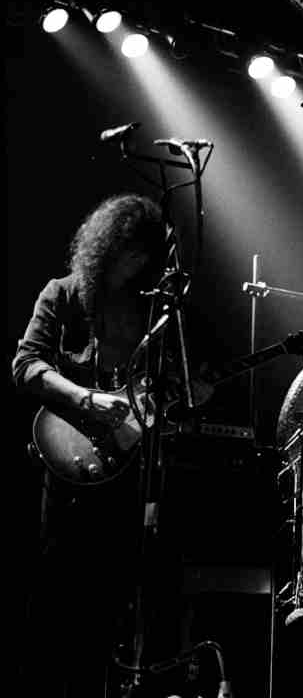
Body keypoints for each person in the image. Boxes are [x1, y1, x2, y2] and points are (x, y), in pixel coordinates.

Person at [12, 193, 181, 696]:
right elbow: (26, 366)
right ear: (108, 246)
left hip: (124, 476)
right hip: (63, 478)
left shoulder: (151, 311)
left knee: (110, 610)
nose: (137, 264)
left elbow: (163, 393)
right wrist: (85, 399)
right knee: (52, 607)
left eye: (145, 256)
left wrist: (186, 393)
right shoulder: (63, 295)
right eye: (130, 251)